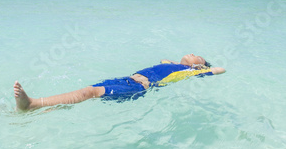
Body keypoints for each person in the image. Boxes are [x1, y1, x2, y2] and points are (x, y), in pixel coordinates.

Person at [14, 53, 225, 111]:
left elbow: (219, 69)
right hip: (127, 79)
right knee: (85, 95)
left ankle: (32, 104)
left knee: (89, 92)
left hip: (138, 87)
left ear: (199, 65)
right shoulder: (174, 64)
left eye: (196, 55)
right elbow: (164, 60)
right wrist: (186, 62)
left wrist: (202, 67)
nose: (191, 53)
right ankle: (41, 111)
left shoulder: (189, 72)